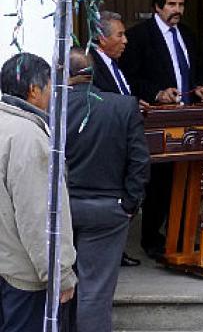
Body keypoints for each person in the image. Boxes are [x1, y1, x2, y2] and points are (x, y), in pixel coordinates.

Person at [119, 0, 203, 258]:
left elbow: (193, 73)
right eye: (171, 4)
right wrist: (157, 92)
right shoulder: (139, 36)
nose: (177, 10)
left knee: (188, 175)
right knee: (159, 180)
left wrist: (202, 88)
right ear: (157, 6)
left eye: (181, 5)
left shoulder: (189, 34)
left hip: (187, 116)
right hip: (157, 119)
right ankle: (152, 238)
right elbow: (127, 78)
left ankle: (180, 233)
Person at [64, 49, 150, 332]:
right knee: (96, 291)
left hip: (63, 208)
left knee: (59, 284)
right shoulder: (123, 106)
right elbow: (139, 161)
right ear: (94, 73)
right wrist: (129, 203)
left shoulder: (53, 107)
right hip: (108, 208)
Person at [0, 53, 76, 331]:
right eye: (51, 86)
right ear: (34, 90)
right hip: (23, 276)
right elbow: (38, 215)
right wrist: (59, 274)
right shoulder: (28, 137)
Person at [88, 11, 144, 267]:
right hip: (109, 146)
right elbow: (98, 103)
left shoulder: (113, 64)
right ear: (102, 38)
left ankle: (116, 251)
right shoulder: (92, 66)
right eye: (120, 35)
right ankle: (111, 253)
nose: (126, 41)